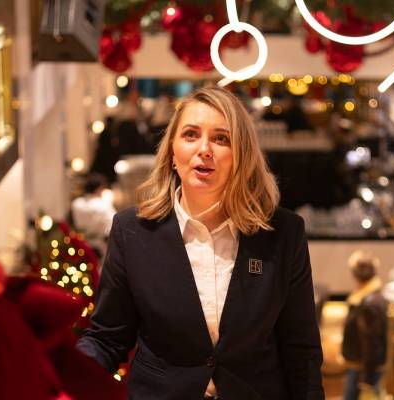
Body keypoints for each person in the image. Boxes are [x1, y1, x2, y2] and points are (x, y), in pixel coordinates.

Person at [76, 87, 325, 399]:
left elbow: (301, 350)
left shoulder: (284, 233)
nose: (204, 149)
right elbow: (107, 338)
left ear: (242, 155)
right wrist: (60, 373)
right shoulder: (132, 231)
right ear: (172, 152)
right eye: (191, 135)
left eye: (221, 138)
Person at [341, 251, 387, 400]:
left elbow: (371, 344)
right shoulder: (370, 295)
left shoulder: (367, 305)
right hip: (362, 365)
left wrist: (367, 379)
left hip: (361, 368)